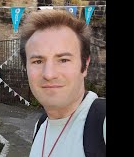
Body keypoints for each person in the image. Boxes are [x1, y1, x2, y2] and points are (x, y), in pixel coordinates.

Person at [19, 9, 106, 157]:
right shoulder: (40, 127)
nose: (49, 74)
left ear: (85, 65)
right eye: (38, 61)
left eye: (63, 60)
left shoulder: (102, 124)